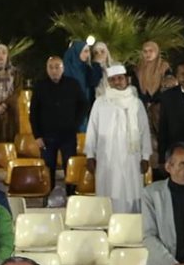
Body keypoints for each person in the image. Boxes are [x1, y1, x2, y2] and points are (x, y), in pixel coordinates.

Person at [85, 63, 151, 214]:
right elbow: (92, 130)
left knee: (131, 191)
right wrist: (90, 155)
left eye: (120, 78)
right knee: (108, 192)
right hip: (107, 157)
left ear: (127, 79)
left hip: (132, 157)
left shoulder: (136, 103)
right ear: (108, 82)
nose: (117, 82)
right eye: (113, 79)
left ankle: (130, 224)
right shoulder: (100, 102)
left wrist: (145, 157)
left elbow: (144, 131)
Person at [29, 56, 85, 199]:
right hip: (46, 136)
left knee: (70, 166)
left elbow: (83, 105)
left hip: (68, 135)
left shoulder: (73, 84)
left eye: (57, 67)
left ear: (63, 68)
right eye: (51, 67)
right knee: (48, 168)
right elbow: (33, 113)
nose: (54, 70)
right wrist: (37, 136)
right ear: (47, 69)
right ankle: (48, 197)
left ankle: (72, 197)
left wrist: (76, 123)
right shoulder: (40, 86)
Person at [135, 40, 173, 160]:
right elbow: (137, 90)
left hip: (160, 109)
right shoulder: (138, 69)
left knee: (162, 137)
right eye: (145, 51)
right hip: (143, 108)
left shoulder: (164, 67)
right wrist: (145, 101)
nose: (148, 54)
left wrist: (155, 101)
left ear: (157, 52)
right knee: (147, 139)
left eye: (151, 51)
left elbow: (168, 88)